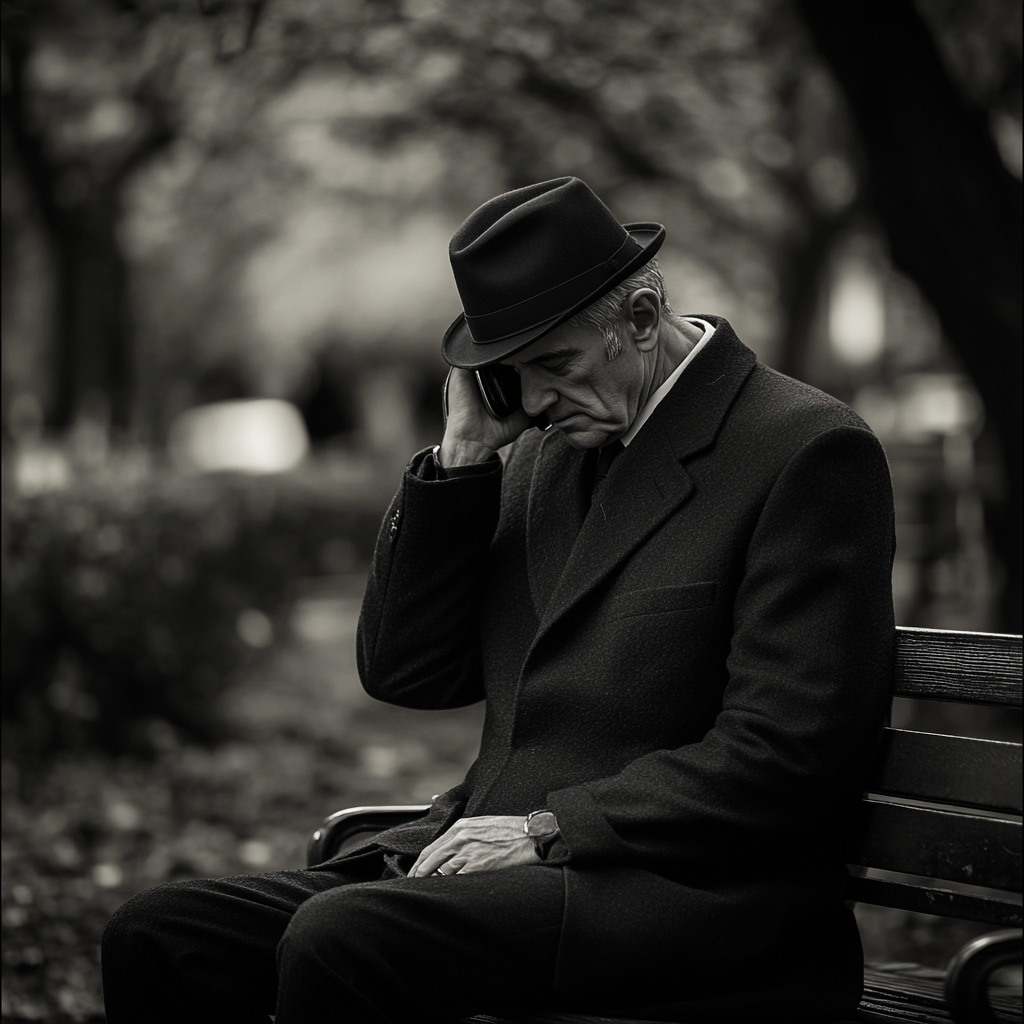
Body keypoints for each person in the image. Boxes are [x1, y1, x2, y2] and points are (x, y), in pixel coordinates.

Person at [101, 177, 895, 1023]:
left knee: (343, 939)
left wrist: (548, 829)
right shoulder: (544, 453)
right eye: (513, 377)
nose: (539, 400)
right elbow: (409, 671)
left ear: (639, 319)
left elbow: (792, 753)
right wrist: (462, 462)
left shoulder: (803, 449)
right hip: (502, 869)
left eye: (556, 364)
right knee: (159, 934)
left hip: (692, 896)